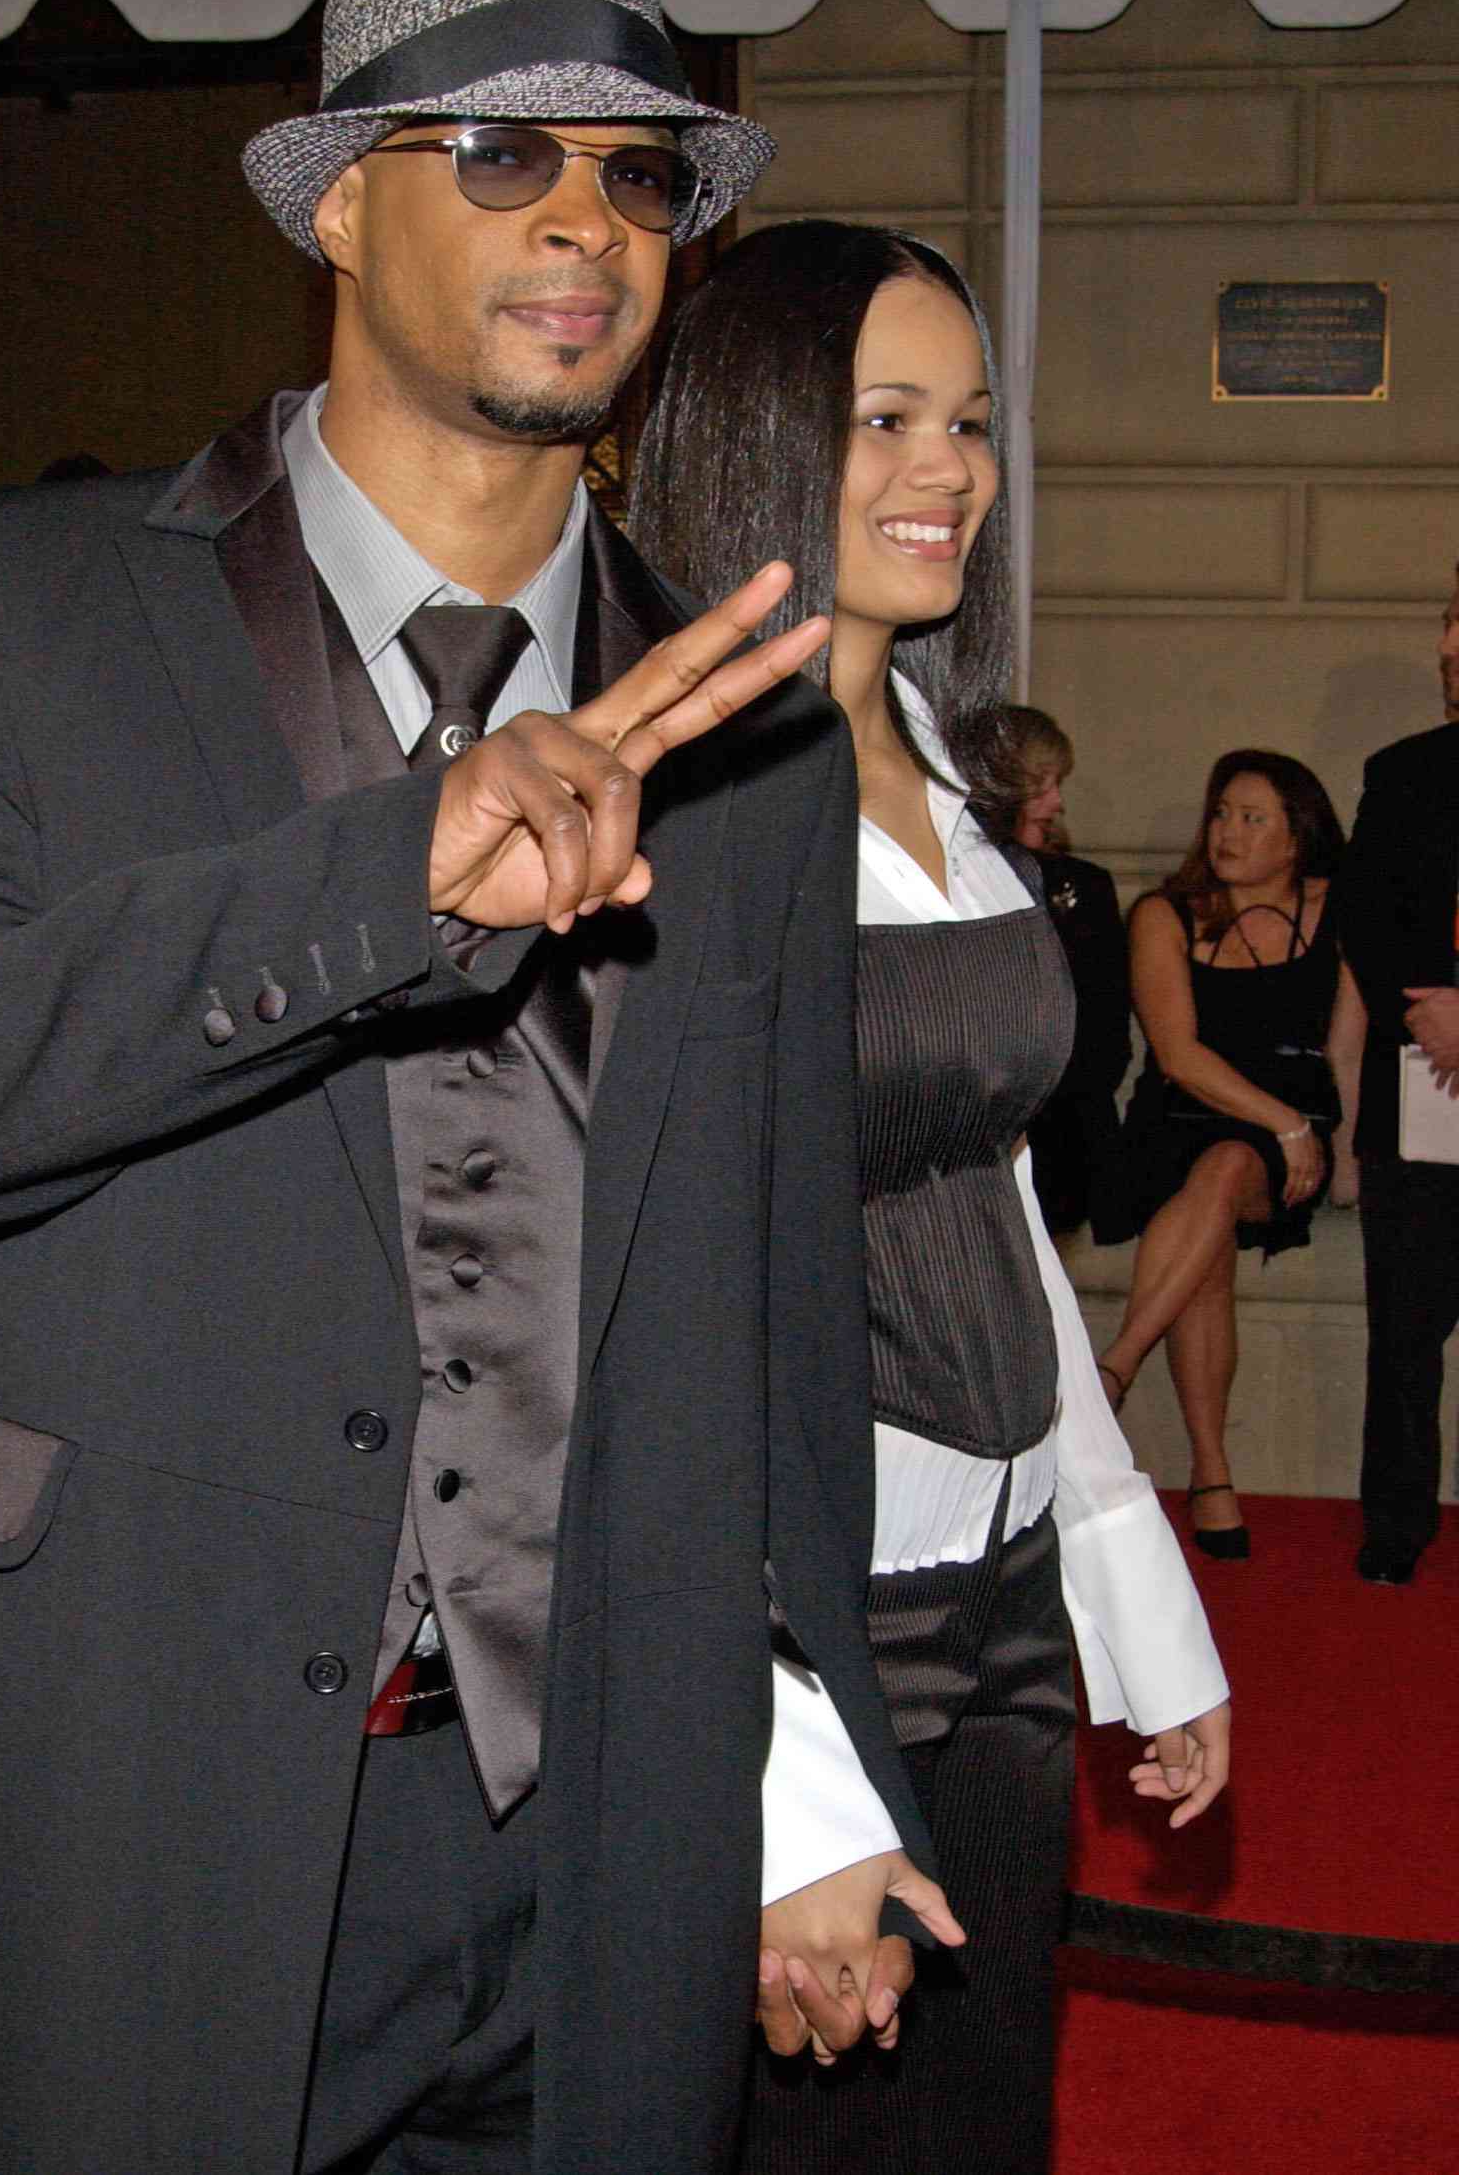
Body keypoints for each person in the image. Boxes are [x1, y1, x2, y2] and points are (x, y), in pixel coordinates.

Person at [0, 0, 962, 2175]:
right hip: (145, 1775)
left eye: (636, 175)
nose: (583, 221)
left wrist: (798, 1760)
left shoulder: (750, 731)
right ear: (333, 195)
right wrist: (379, 876)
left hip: (591, 1829)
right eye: (500, 151)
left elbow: (770, 1316)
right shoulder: (10, 608)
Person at [630, 218, 1230, 2175]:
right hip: (805, 1618)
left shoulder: (951, 787)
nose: (946, 466)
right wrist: (783, 1770)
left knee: (978, 2125)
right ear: (748, 438)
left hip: (1009, 1584)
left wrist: (1135, 1594)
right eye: (881, 414)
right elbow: (639, 1312)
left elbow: (998, 1207)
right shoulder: (668, 794)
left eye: (967, 419)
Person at [1095, 749, 1359, 1557]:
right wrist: (1285, 1122)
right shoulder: (1164, 914)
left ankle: (1116, 1366)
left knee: (1229, 1169)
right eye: (1221, 813)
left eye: (1253, 818)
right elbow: (1175, 1053)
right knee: (1210, 1205)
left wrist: (1340, 1150)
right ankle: (1211, 1472)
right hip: (1184, 1114)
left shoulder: (1339, 912)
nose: (1229, 832)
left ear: (1297, 836)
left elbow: (1347, 1045)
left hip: (1285, 1141)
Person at [1335, 567, 1459, 1584]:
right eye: (1453, 622)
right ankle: (1395, 1523)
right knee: (1402, 1332)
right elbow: (1363, 924)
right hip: (1419, 1086)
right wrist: (1429, 1011)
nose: (1454, 643)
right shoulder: (1400, 773)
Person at [977, 705, 1130, 1237]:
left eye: (1057, 785)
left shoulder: (1083, 887)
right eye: (1041, 785)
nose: (1056, 802)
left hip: (1064, 1134)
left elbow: (1106, 1025)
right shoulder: (958, 882)